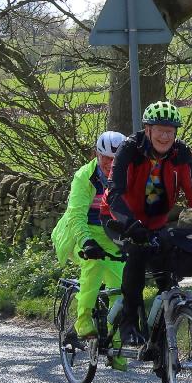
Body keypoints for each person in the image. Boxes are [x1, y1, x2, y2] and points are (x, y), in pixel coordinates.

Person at [104, 100, 192, 348]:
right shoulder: (129, 149)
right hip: (119, 220)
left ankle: (162, 342)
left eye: (171, 131)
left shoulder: (180, 153)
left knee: (168, 272)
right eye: (160, 129)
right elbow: (114, 194)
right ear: (147, 130)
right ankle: (129, 323)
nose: (165, 136)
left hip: (155, 222)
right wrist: (129, 224)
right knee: (137, 255)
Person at [52, 129, 129, 342]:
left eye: (116, 159)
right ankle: (83, 321)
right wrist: (86, 242)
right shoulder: (84, 176)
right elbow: (76, 216)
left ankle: (116, 342)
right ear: (97, 154)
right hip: (79, 233)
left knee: (123, 286)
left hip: (110, 235)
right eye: (106, 158)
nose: (111, 163)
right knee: (93, 265)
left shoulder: (128, 177)